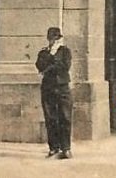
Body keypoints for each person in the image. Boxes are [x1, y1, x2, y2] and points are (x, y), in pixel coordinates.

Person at [35, 26, 72, 160]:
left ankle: (66, 148)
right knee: (50, 118)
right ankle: (53, 148)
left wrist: (50, 64)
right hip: (48, 88)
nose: (54, 41)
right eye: (52, 38)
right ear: (48, 39)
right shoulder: (43, 53)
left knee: (65, 118)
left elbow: (65, 66)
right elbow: (40, 66)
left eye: (56, 38)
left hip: (63, 87)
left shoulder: (65, 51)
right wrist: (52, 58)